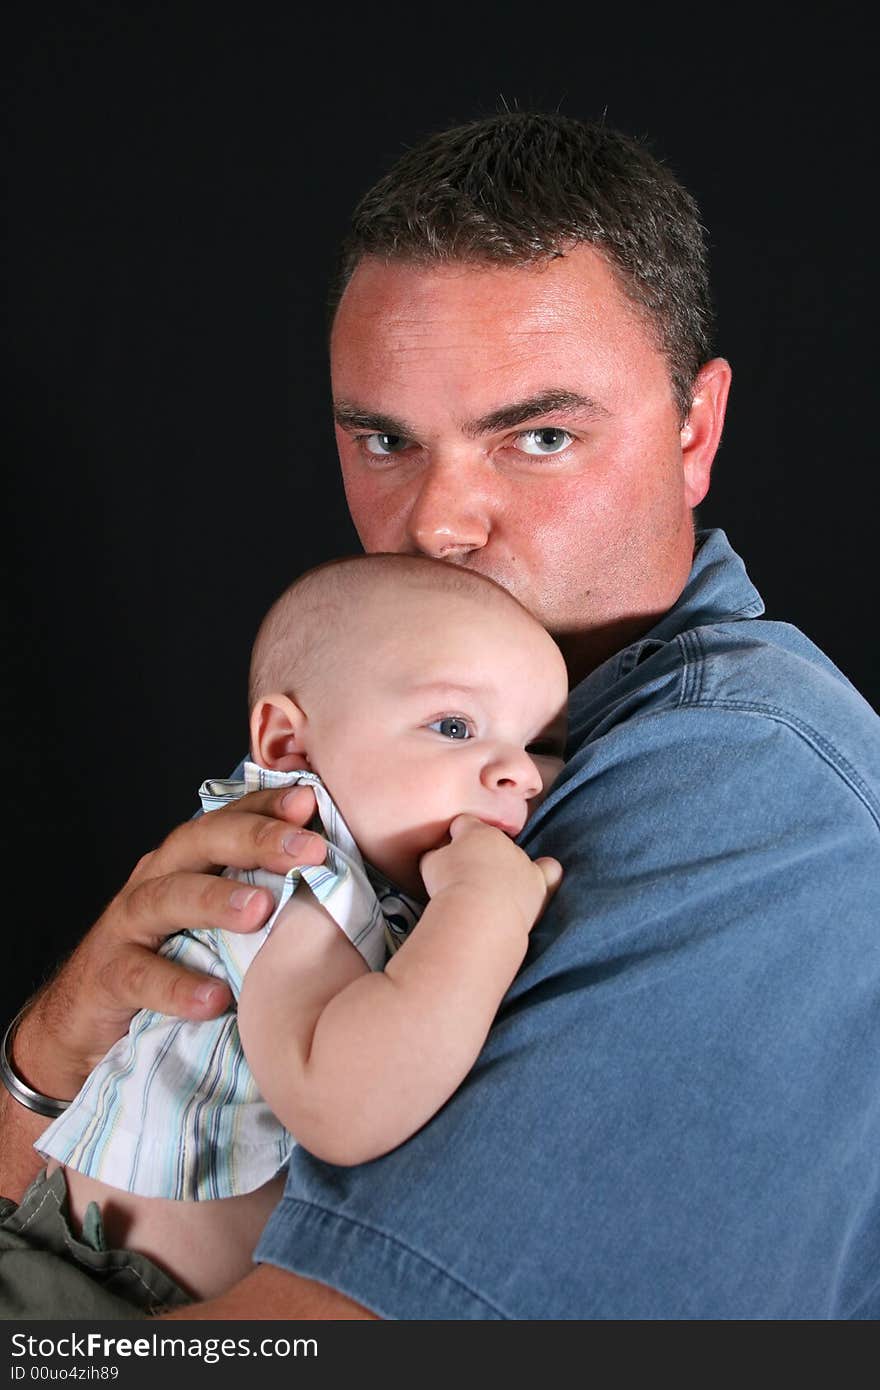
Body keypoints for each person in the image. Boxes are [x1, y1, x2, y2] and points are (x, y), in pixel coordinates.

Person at [2, 111, 878, 1321]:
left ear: (695, 432)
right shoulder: (381, 736)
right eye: (384, 440)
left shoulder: (743, 788)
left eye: (539, 435)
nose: (438, 525)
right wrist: (52, 1056)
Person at [32, 553, 567, 1303]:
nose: (522, 773)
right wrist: (486, 912)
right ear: (290, 746)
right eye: (454, 725)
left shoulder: (381, 884)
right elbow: (343, 1108)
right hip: (82, 1289)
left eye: (543, 743)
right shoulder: (295, 871)